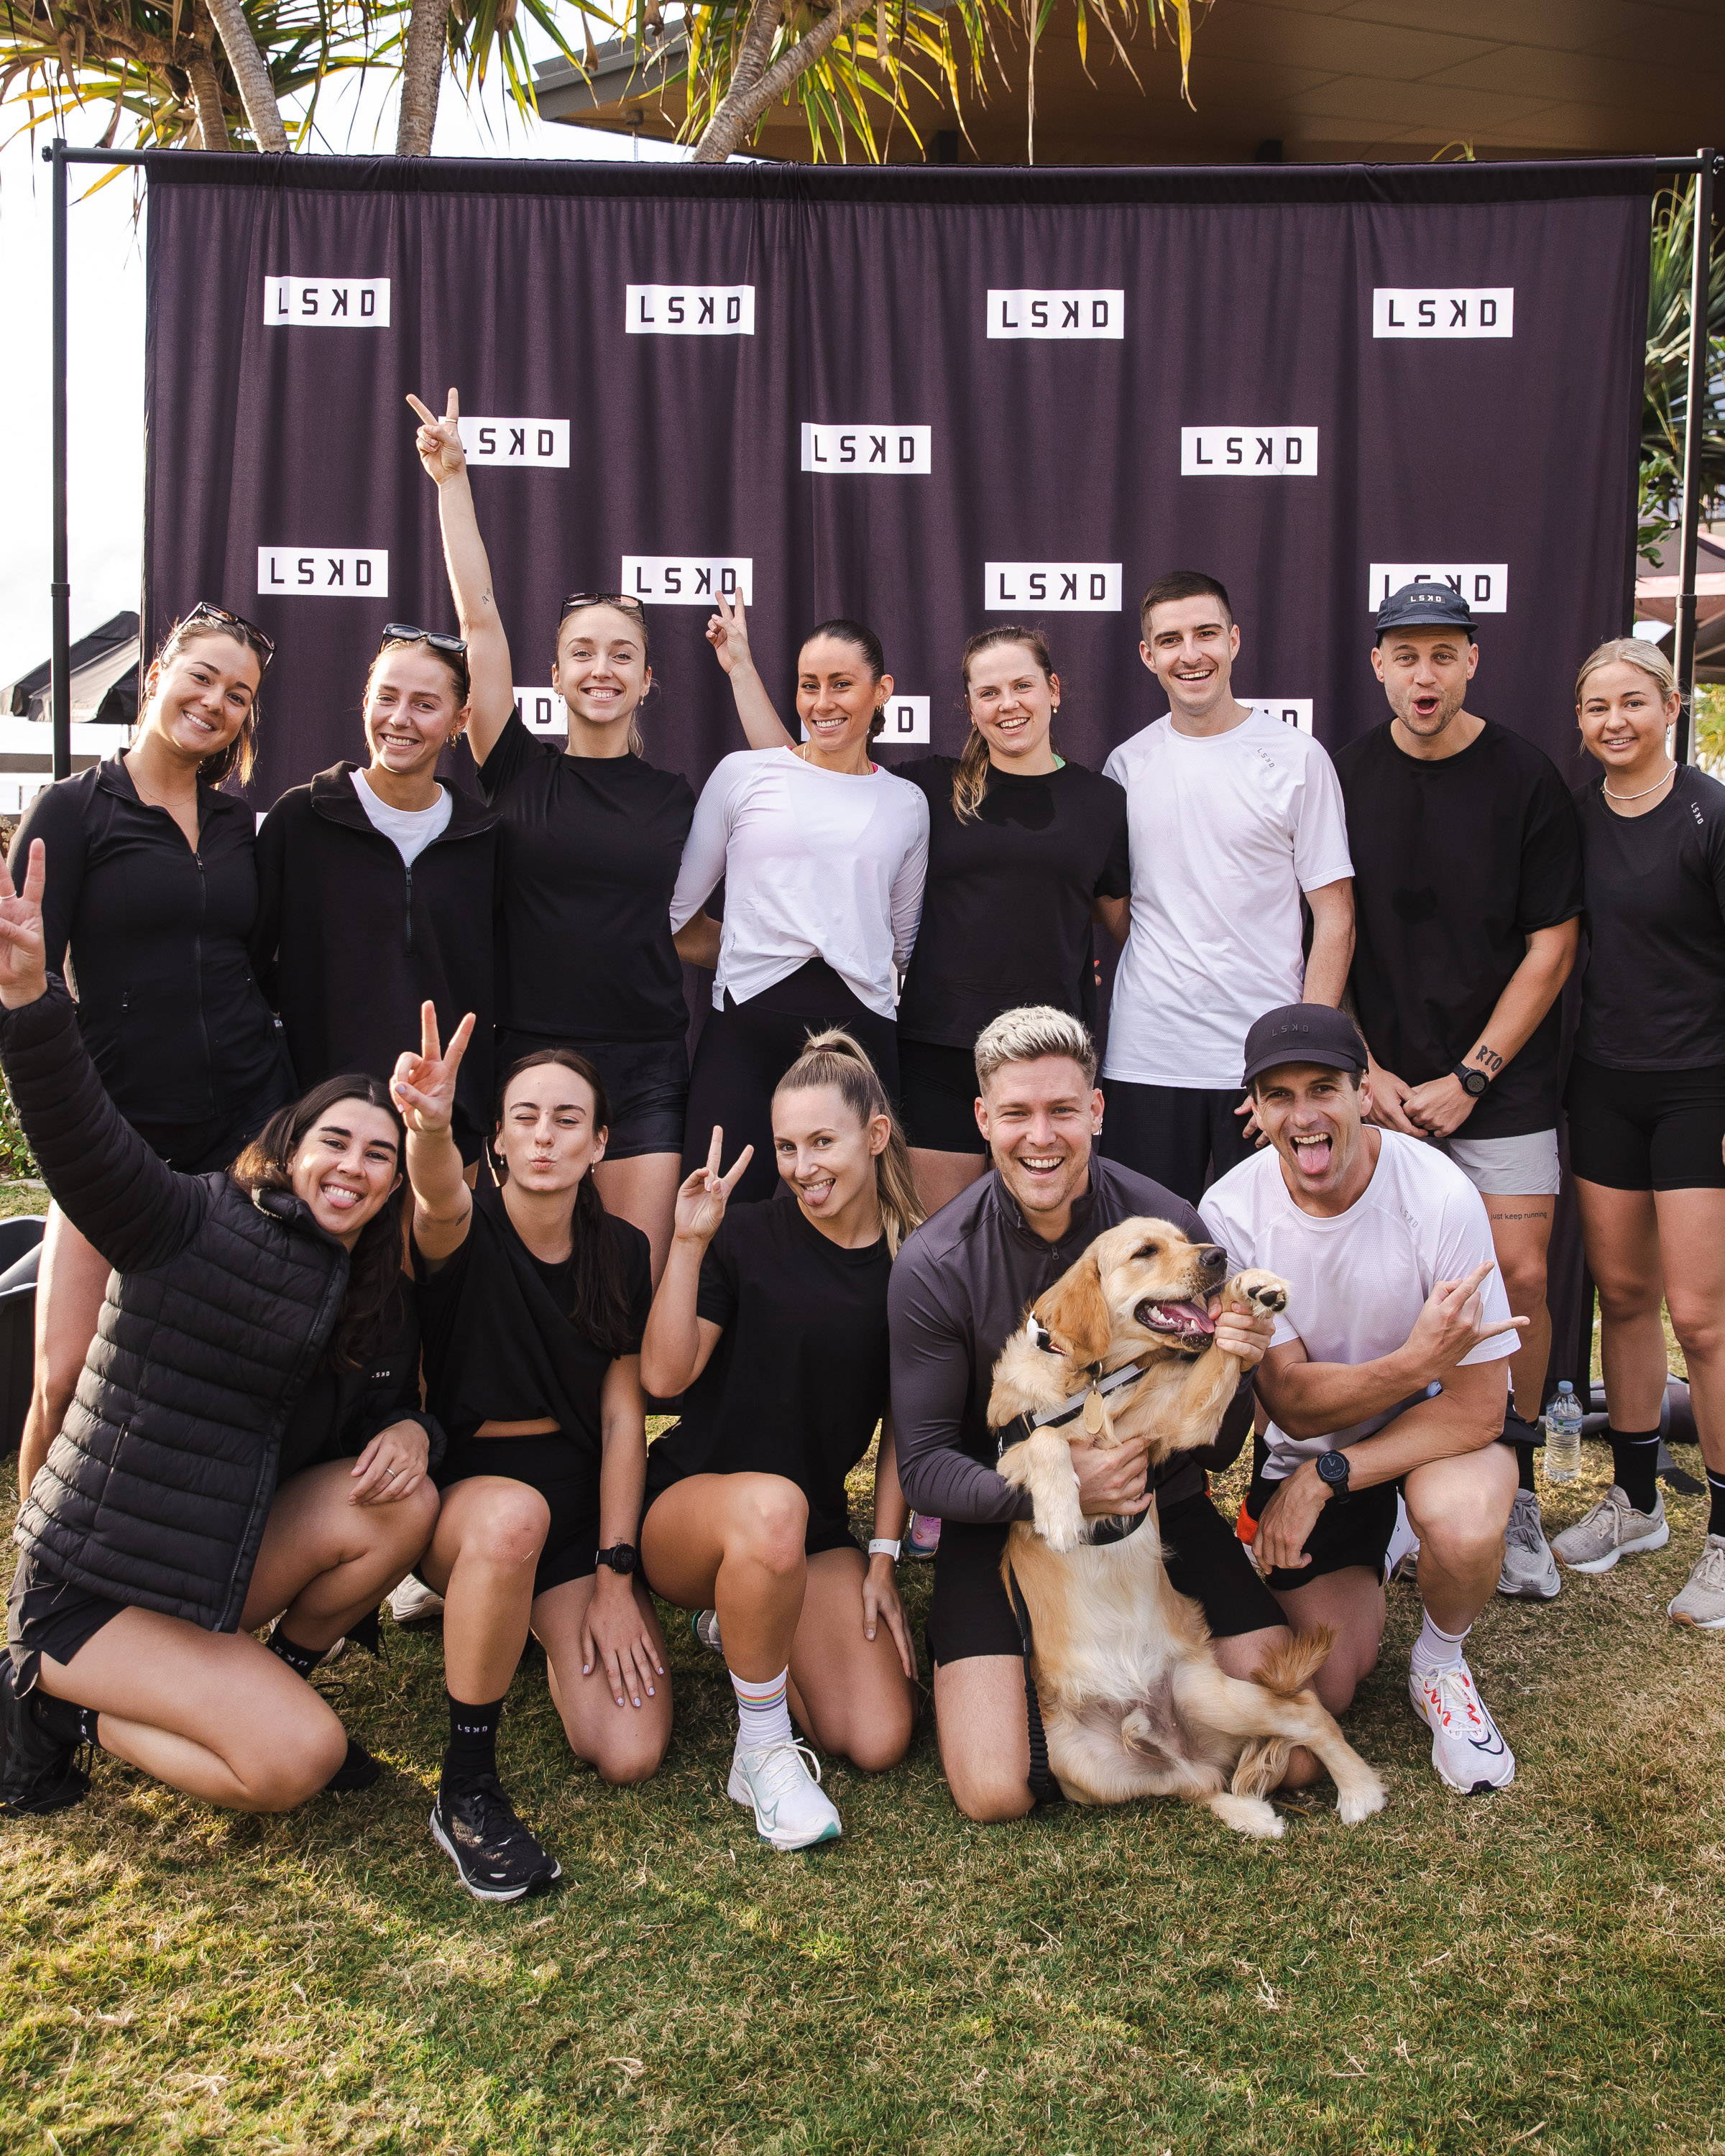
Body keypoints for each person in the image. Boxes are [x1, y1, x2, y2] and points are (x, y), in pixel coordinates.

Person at [0, 839, 441, 1820]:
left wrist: (416, 1432)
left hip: (211, 1561)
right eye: (334, 1140)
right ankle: (48, 1697)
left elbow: (389, 1405)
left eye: (380, 1155)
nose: (355, 1167)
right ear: (288, 1148)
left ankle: (259, 1678)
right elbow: (78, 1135)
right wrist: (32, 1004)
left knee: (402, 1504)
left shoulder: (365, 1281)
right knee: (296, 1763)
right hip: (95, 1585)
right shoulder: (189, 1219)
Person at [888, 1004, 1284, 1825]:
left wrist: (1237, 1364)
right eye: (1017, 1114)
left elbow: (1218, 1454)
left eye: (1063, 1110)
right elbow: (925, 1467)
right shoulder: (936, 1263)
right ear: (982, 1121)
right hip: (1002, 1527)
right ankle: (1015, 1681)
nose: (1042, 1136)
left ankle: (1141, 1692)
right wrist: (1059, 1486)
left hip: (1158, 1509)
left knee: (1297, 1750)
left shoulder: (1167, 1223)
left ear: (1096, 1110)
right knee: (995, 1791)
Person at [708, 607, 1129, 1219]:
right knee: (936, 1245)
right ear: (970, 705)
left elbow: (1120, 921)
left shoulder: (1102, 801)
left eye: (1021, 686)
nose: (1007, 704)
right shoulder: (927, 790)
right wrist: (742, 670)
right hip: (938, 1051)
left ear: (1053, 691)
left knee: (1053, 1238)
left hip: (1048, 1057)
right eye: (988, 693)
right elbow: (801, 774)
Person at [408, 388, 697, 1279]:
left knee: (631, 1282)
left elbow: (704, 922)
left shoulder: (679, 796)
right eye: (583, 652)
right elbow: (479, 620)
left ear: (647, 679)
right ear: (556, 674)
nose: (601, 669)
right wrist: (453, 482)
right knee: (524, 1278)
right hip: (532, 1053)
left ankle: (619, 1427)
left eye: (622, 655)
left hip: (648, 1059)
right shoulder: (517, 768)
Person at [1202, 1004, 1524, 1796]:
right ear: (1256, 1108)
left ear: (1362, 1093)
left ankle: (1441, 1664)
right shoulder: (1229, 1213)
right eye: (1279, 1096)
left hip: (1430, 1442)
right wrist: (1417, 1361)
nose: (1304, 1117)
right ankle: (1382, 1549)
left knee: (1464, 1514)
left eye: (1323, 1090)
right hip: (1316, 1445)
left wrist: (1327, 1479)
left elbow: (1481, 1409)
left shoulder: (1441, 1196)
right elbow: (1295, 1402)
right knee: (1328, 1683)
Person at [1335, 579, 1583, 1603]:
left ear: (1473, 660)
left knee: (1517, 1282)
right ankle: (1394, 1494)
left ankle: (1511, 1482)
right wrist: (1369, 1074)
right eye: (1406, 655)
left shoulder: (1527, 776)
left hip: (1502, 1083)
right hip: (1380, 1084)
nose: (1424, 674)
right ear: (1378, 664)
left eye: (1444, 654)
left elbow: (1554, 939)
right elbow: (1325, 932)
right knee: (1386, 1291)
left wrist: (1473, 1075)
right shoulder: (1342, 774)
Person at [12, 604, 295, 1495]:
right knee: (65, 1380)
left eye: (239, 694)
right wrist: (71, 1102)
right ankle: (38, 1612)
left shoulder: (239, 826)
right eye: (202, 676)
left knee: (223, 1388)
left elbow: (259, 970)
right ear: (158, 676)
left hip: (243, 1140)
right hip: (115, 1136)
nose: (216, 702)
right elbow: (28, 984)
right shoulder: (71, 809)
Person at [392, 1008, 669, 1902]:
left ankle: (522, 1625)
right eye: (524, 1118)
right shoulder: (460, 1228)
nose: (544, 1137)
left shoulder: (621, 1252)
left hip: (576, 1507)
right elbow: (435, 1192)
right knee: (513, 1522)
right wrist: (430, 1129)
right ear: (500, 1142)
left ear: (598, 1145)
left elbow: (626, 1422)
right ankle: (466, 1781)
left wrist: (616, 1573)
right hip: (472, 1503)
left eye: (566, 1121)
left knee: (630, 1752)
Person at [639, 1033, 919, 1851]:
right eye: (789, 1147)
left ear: (874, 1135)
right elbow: (663, 1377)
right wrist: (689, 1243)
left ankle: (748, 1621)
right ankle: (758, 1752)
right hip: (693, 1508)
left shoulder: (913, 1260)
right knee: (771, 1508)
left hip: (808, 1528)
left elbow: (909, 1419)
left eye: (822, 1142)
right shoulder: (744, 1236)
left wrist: (883, 1557)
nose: (803, 1167)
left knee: (878, 1736)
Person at [1555, 637, 1725, 1628]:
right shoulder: (1574, 821)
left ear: (1669, 706)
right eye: (1593, 708)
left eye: (1631, 703)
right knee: (1622, 1296)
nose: (1612, 721)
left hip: (1700, 1089)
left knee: (1700, 1319)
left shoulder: (1710, 815)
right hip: (1604, 1085)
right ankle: (1638, 1501)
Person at [1099, 571, 1354, 1204]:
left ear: (1235, 641)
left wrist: (1301, 1057)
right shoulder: (1126, 766)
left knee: (1276, 1264)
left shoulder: (1298, 757)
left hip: (1265, 1062)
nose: (1191, 654)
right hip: (1147, 1058)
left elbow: (1336, 917)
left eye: (1206, 634)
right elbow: (1123, 911)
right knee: (1147, 1261)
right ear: (1147, 655)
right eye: (1171, 639)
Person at [672, 614, 929, 1207]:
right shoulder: (743, 776)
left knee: (868, 1228)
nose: (822, 701)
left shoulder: (907, 804)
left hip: (862, 1041)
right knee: (717, 1214)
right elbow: (679, 921)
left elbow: (902, 944)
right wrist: (754, 949)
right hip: (744, 1036)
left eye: (841, 683)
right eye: (809, 684)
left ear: (881, 691)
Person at [255, 623, 498, 1166]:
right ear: (365, 701)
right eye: (386, 697)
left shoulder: (485, 836)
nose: (400, 719)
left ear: (460, 720)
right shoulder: (301, 817)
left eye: (425, 704)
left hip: (445, 1127)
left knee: (432, 1255)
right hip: (320, 1125)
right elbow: (248, 965)